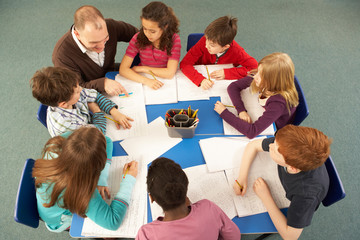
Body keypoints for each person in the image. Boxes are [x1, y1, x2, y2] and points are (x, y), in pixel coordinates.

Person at [233, 125, 331, 239]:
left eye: (274, 150)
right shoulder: (287, 144)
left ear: (292, 168)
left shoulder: (306, 196)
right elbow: (253, 145)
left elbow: (290, 236)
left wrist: (265, 196)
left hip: (295, 199)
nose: (270, 145)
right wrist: (242, 177)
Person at [33, 127, 138, 232]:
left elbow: (107, 141)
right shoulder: (80, 190)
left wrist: (101, 179)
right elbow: (113, 222)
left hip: (51, 197)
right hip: (59, 220)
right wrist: (128, 179)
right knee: (104, 229)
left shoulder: (61, 142)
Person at [136, 157, 240, 240]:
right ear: (185, 188)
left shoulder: (146, 234)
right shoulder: (208, 208)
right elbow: (234, 236)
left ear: (152, 198)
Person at [52, 5, 138, 96]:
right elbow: (75, 90)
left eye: (106, 39)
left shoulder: (111, 26)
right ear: (77, 34)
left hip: (111, 74)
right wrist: (103, 84)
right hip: (89, 94)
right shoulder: (62, 55)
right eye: (94, 43)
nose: (102, 47)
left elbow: (139, 36)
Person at [214, 52, 299, 139]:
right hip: (264, 113)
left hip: (274, 130)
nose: (255, 77)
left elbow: (252, 132)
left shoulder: (278, 103)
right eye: (258, 71)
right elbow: (233, 87)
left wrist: (224, 113)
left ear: (273, 81)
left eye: (261, 75)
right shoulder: (265, 80)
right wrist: (241, 111)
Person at [31, 66, 133, 137]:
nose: (81, 89)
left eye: (78, 85)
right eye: (77, 91)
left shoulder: (70, 93)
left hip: (88, 124)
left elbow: (95, 95)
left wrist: (114, 112)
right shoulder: (67, 125)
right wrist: (97, 111)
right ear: (63, 104)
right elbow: (97, 134)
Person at [180, 16, 257, 90]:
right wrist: (200, 80)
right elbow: (185, 64)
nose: (206, 46)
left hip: (221, 85)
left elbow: (254, 68)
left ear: (225, 47)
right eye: (206, 39)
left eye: (212, 45)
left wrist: (227, 73)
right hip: (199, 75)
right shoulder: (203, 42)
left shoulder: (236, 51)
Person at [119, 1, 181, 90]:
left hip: (165, 81)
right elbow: (123, 69)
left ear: (165, 27)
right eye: (144, 28)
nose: (147, 34)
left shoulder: (174, 39)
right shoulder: (137, 38)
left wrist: (143, 69)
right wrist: (147, 81)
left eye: (152, 31)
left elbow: (170, 73)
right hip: (144, 80)